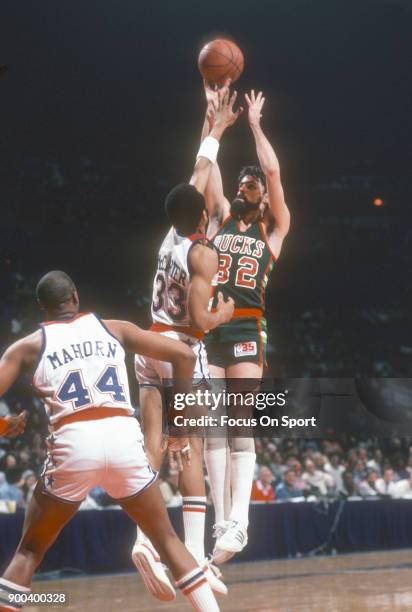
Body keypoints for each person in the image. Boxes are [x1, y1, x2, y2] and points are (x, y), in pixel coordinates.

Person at [0, 271, 220, 612]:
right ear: (75, 295)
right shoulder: (114, 328)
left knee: (29, 551)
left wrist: (4, 425)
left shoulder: (27, 346)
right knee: (166, 540)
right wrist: (177, 426)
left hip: (74, 443)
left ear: (41, 308)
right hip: (122, 437)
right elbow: (185, 357)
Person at [132, 86, 240, 598]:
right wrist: (222, 312)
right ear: (202, 216)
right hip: (180, 353)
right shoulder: (201, 253)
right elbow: (200, 318)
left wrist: (215, 127)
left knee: (153, 446)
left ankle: (143, 537)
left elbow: (197, 171)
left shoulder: (168, 235)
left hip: (147, 346)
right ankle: (194, 558)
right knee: (190, 449)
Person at [200, 81, 291, 563]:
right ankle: (223, 523)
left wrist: (254, 126)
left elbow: (274, 171)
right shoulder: (217, 220)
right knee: (211, 428)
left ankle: (242, 520)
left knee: (239, 424)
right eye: (242, 183)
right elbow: (207, 166)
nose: (243, 186)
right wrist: (211, 119)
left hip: (248, 328)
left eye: (249, 185)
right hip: (211, 327)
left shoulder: (272, 229)